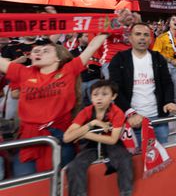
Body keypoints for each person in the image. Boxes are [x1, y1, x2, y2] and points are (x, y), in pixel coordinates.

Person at [0, 34, 108, 176]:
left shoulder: (68, 70)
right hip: (29, 141)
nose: (39, 52)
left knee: (60, 183)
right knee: (27, 185)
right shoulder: (23, 72)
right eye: (36, 51)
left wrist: (107, 28)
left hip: (60, 138)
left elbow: (93, 46)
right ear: (30, 57)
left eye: (46, 51)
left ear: (58, 58)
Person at [109, 23, 176, 145]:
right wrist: (130, 113)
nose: (142, 38)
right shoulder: (119, 59)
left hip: (158, 120)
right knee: (136, 161)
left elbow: (167, 83)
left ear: (150, 39)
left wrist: (169, 101)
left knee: (162, 157)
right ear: (130, 38)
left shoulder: (158, 58)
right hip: (132, 121)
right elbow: (115, 90)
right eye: (138, 34)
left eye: (146, 35)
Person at [64, 80, 133, 196]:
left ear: (113, 96)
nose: (99, 98)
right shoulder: (86, 111)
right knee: (74, 166)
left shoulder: (117, 112)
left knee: (125, 160)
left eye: (104, 94)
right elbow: (67, 137)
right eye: (95, 95)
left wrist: (84, 134)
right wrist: (93, 123)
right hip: (90, 146)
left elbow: (112, 139)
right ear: (91, 97)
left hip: (113, 145)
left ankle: (126, 193)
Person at [152, 15, 176, 133]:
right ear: (169, 23)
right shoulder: (161, 37)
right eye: (173, 19)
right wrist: (170, 60)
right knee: (167, 93)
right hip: (166, 67)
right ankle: (169, 122)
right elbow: (156, 53)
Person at [70, 33, 101, 106]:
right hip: (81, 81)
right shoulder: (72, 52)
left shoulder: (95, 49)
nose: (89, 37)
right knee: (79, 104)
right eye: (86, 36)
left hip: (94, 79)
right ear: (79, 38)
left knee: (97, 103)